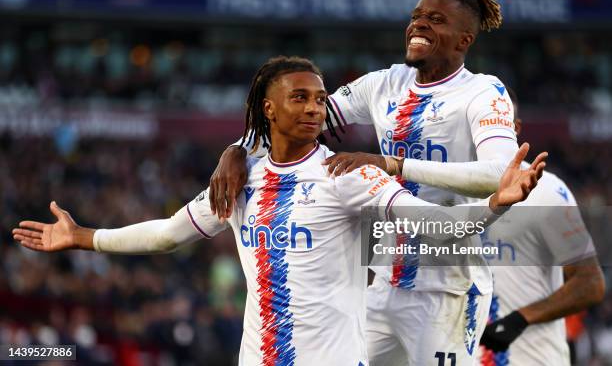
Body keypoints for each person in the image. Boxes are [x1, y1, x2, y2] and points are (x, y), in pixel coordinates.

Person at [13, 56, 547, 366]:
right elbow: (169, 233)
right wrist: (86, 237)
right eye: (300, 98)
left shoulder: (348, 173)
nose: (315, 108)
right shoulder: (243, 177)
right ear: (268, 108)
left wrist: (495, 204)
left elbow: (430, 229)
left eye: (319, 99)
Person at [209, 0, 520, 365]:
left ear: (464, 39)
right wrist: (237, 149)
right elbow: (299, 123)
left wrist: (395, 165)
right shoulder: (383, 84)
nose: (419, 25)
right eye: (416, 17)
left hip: (448, 290)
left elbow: (501, 173)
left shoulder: (483, 93)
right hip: (384, 282)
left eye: (436, 20)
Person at [478, 90, 605, 365]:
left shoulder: (547, 190)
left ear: (516, 128)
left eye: (498, 123)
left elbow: (591, 283)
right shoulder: (442, 192)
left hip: (535, 359)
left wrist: (521, 319)